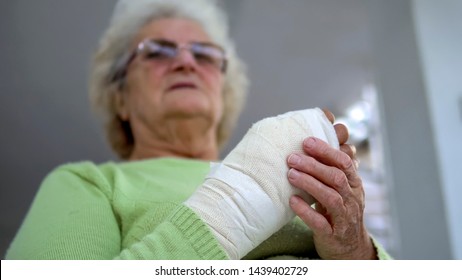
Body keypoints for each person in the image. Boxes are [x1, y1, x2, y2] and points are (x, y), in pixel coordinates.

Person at [6, 0, 391, 260]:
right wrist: (229, 213)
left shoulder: (299, 177)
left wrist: (356, 250)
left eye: (204, 55)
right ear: (119, 96)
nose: (186, 62)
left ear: (223, 94)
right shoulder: (88, 182)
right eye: (157, 51)